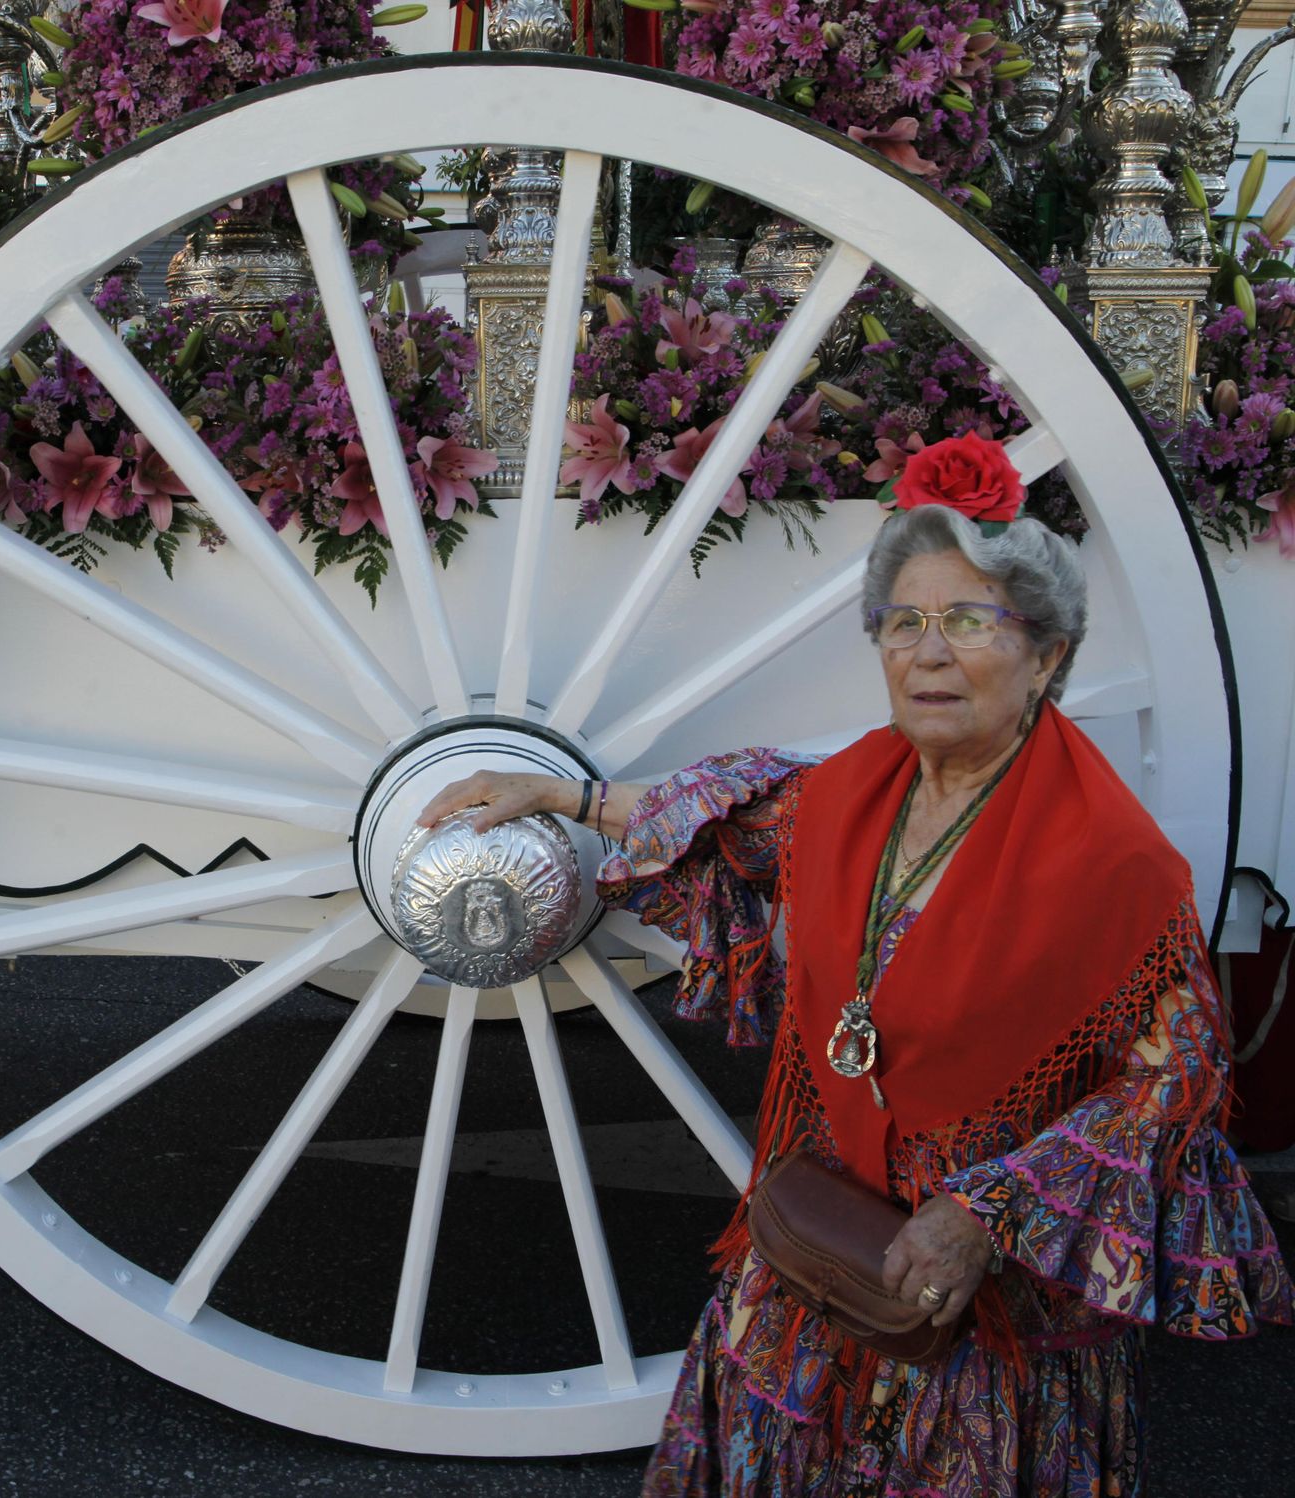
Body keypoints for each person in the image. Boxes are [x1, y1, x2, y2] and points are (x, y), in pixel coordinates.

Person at [418, 444, 1292, 1496]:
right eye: (903, 621)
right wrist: (562, 799)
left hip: (976, 1312)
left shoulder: (1117, 862)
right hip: (815, 1251)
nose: (927, 652)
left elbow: (1171, 1086)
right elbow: (739, 814)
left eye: (969, 620)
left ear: (1047, 655)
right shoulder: (852, 794)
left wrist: (987, 1216)